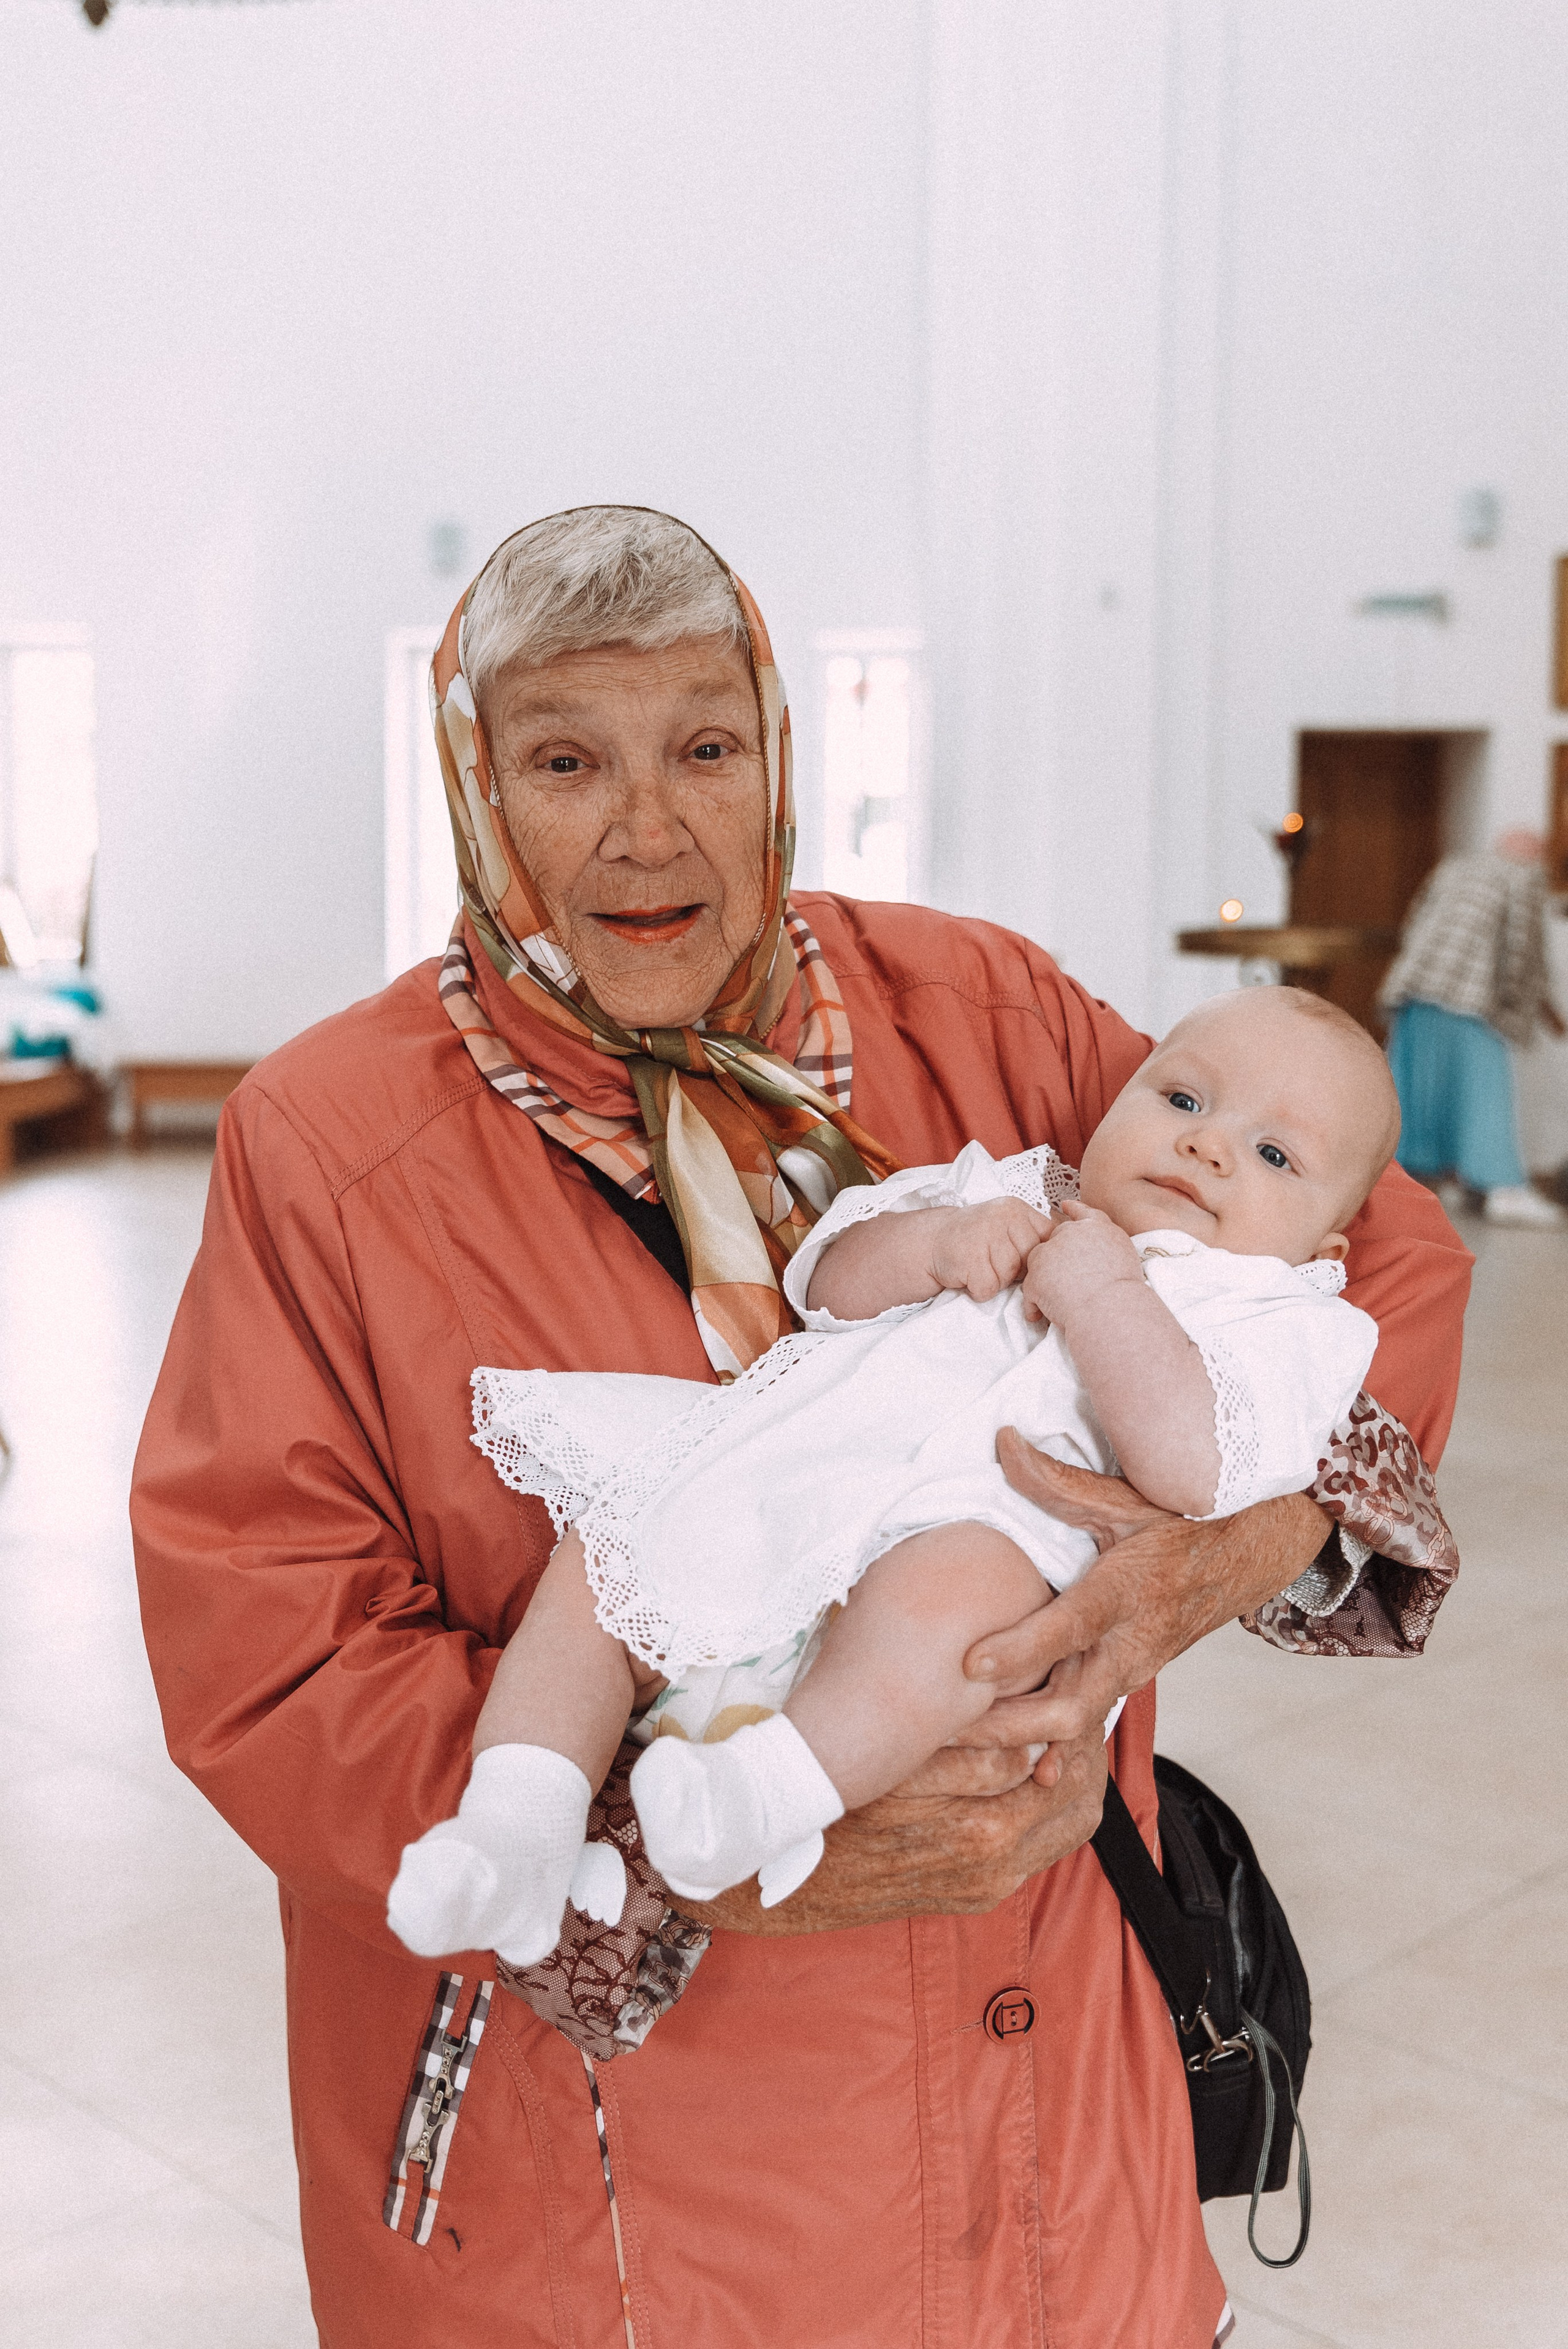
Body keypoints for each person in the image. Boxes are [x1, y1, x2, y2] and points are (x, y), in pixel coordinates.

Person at [131, 508, 1470, 2349]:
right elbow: (264, 1657)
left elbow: (1367, 1236)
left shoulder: (978, 1009)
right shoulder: (328, 1145)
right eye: (565, 760)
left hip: (1031, 2132)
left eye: (704, 744)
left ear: (778, 747)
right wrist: (694, 1844)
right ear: (468, 780)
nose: (649, 827)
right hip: (613, 2194)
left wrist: (1216, 1548)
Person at [388, 987, 1399, 1963]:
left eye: (1272, 1154)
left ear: (1327, 1245)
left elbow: (1193, 1466)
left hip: (983, 1521)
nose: (1206, 1143)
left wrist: (1105, 1296)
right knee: (604, 1567)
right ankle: (515, 1828)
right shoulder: (1005, 1190)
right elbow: (823, 1286)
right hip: (797, 1468)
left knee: (952, 1614)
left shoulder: (1282, 1321)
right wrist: (938, 1243)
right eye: (1182, 1098)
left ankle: (760, 1797)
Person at [1381, 826, 1566, 1227]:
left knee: (1417, 1090)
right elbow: (1521, 949)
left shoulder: (1456, 867)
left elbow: (1416, 922)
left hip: (1416, 987)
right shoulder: (1524, 877)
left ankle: (1415, 1179)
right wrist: (1524, 1011)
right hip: (1470, 996)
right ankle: (1505, 1188)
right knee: (1485, 1091)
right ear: (1534, 855)